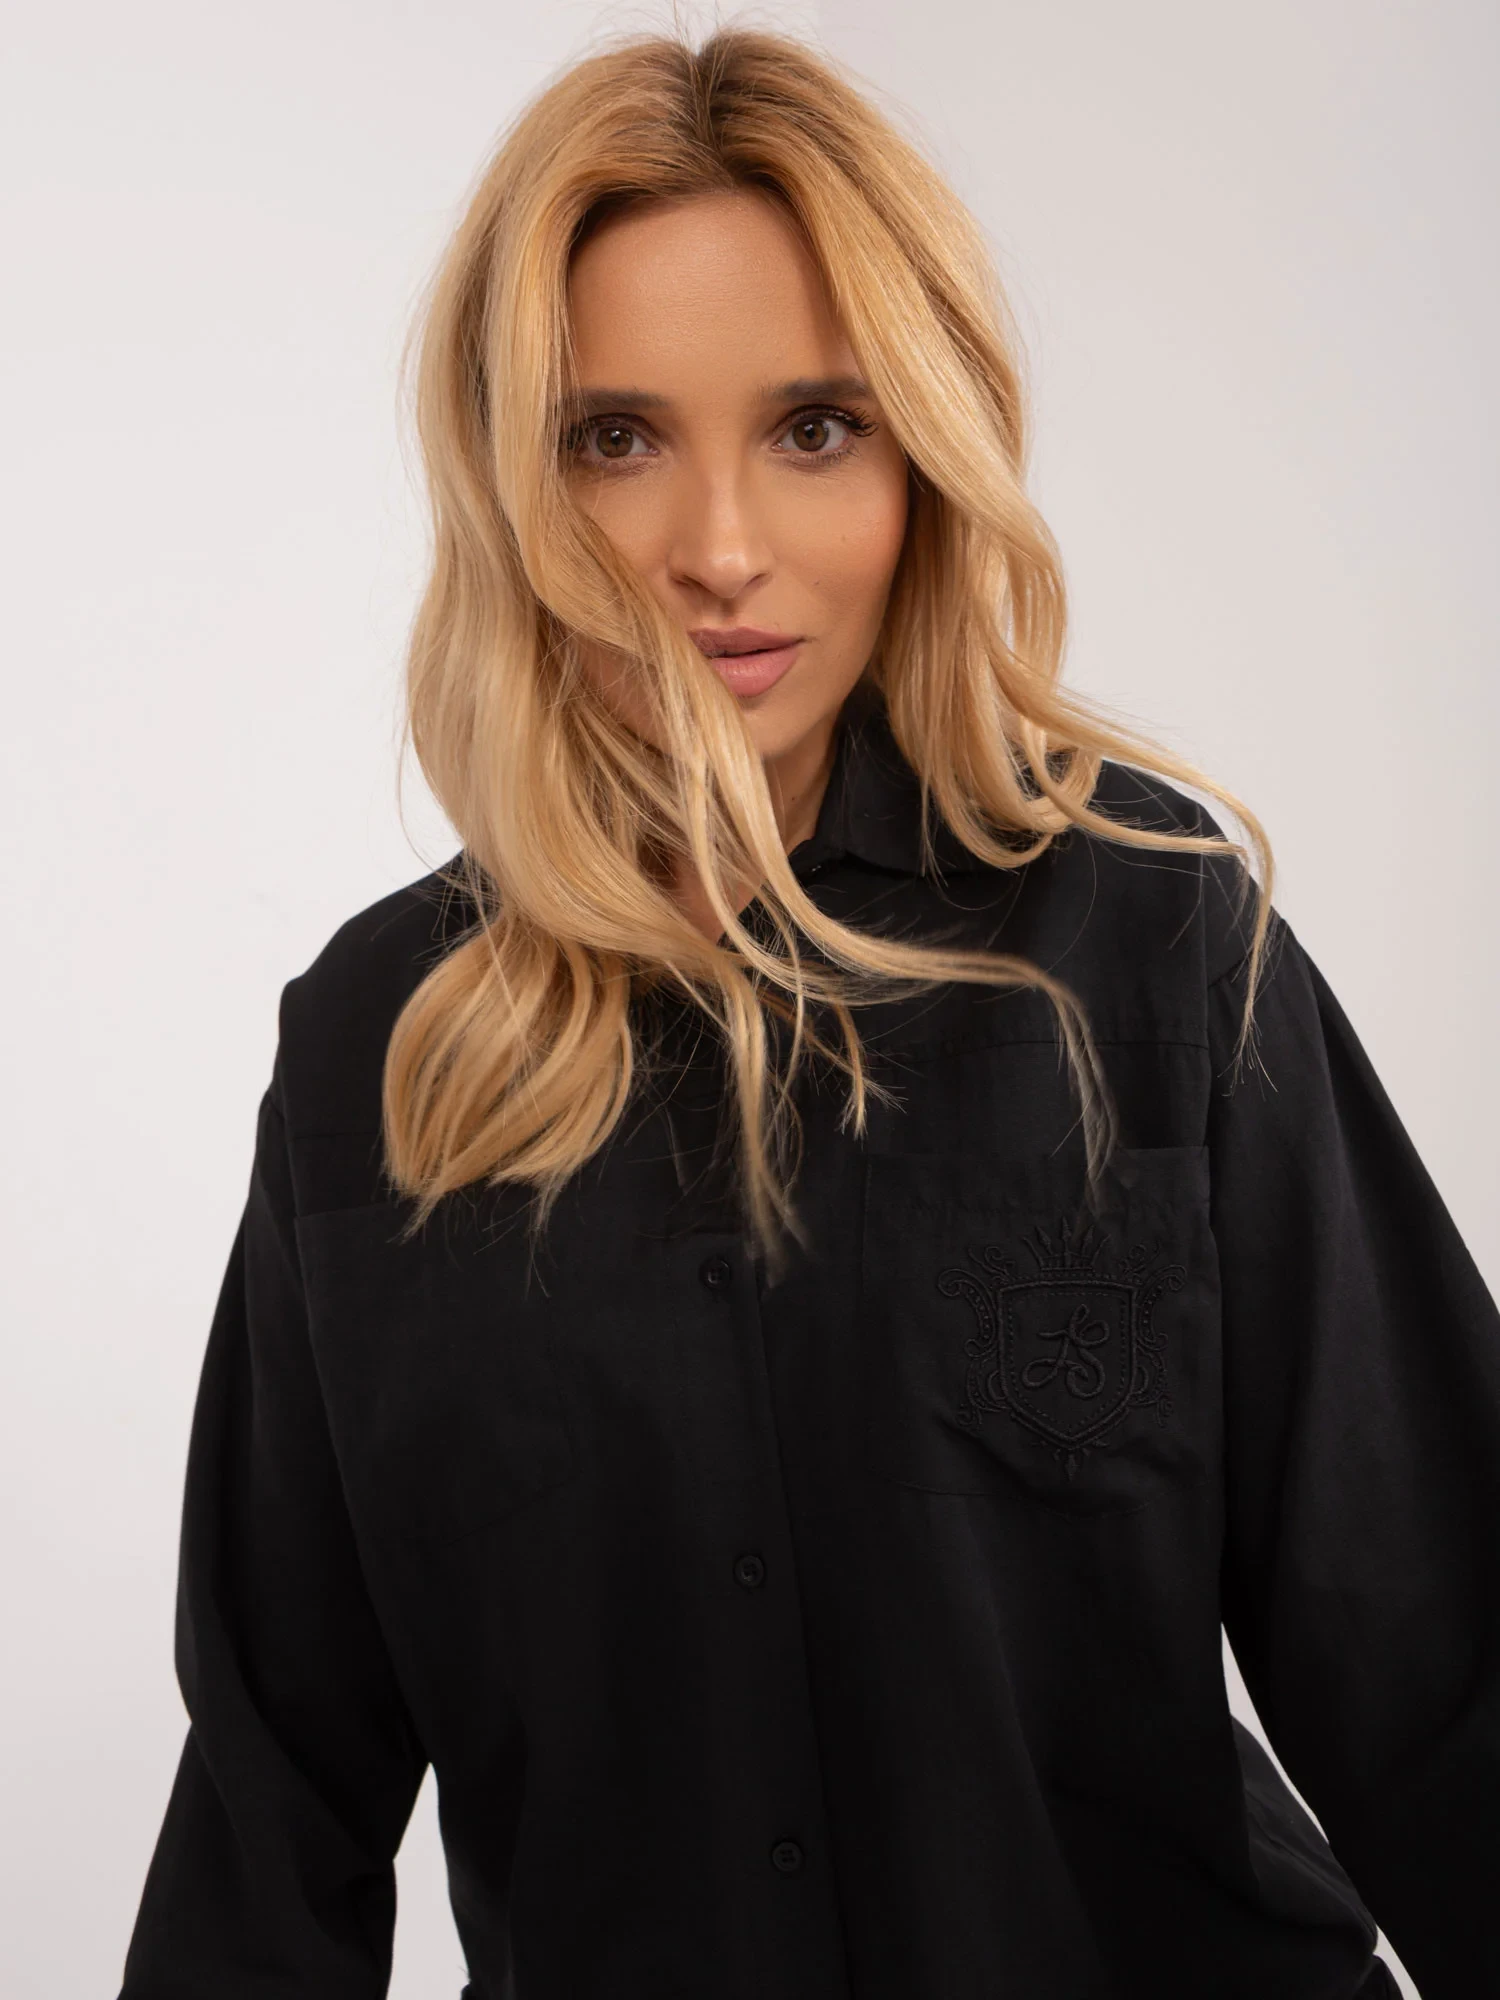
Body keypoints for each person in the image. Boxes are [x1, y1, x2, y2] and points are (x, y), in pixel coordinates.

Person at [116, 26, 1497, 2000]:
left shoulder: (1152, 944)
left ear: (923, 454)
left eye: (816, 428)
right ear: (512, 483)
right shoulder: (377, 1050)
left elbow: (1441, 1662)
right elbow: (275, 1809)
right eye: (616, 439)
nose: (720, 550)